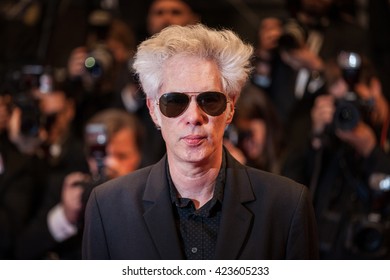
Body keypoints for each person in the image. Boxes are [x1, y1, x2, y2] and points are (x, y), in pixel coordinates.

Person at [82, 23, 319, 260]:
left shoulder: (287, 204)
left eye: (210, 100)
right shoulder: (108, 206)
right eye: (175, 102)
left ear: (230, 108)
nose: (194, 117)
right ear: (153, 110)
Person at [282, 53, 390, 259]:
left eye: (355, 99)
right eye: (341, 103)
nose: (349, 110)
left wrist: (371, 152)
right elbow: (291, 191)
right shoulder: (332, 138)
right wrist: (316, 138)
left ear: (375, 87)